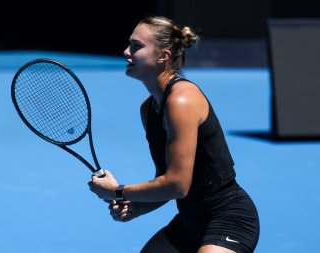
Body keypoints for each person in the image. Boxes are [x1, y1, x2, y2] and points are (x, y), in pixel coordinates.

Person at [88, 14, 260, 253]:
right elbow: (165, 180)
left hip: (228, 220)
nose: (126, 52)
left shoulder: (182, 99)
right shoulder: (148, 109)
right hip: (190, 223)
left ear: (163, 56)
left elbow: (177, 185)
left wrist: (118, 191)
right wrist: (137, 207)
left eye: (136, 46)